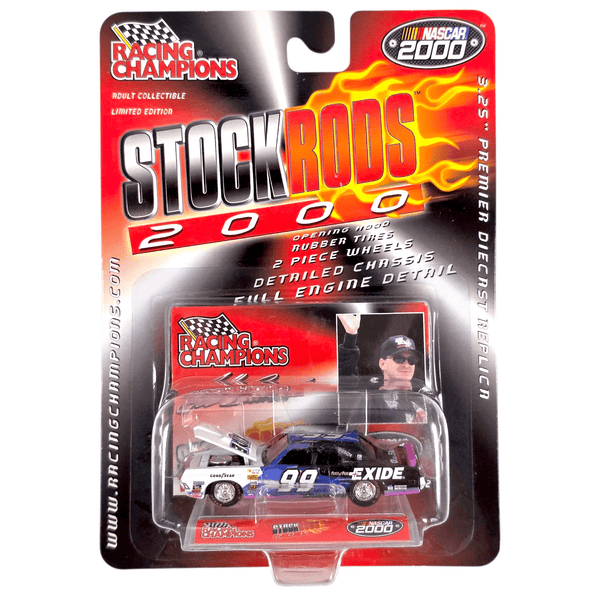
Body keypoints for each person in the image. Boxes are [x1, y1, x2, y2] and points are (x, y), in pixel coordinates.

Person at [337, 314, 427, 422]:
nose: (406, 365)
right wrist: (351, 336)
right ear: (382, 364)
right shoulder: (371, 399)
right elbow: (347, 379)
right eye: (399, 359)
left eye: (412, 360)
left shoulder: (421, 400)